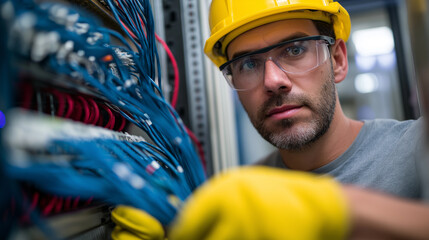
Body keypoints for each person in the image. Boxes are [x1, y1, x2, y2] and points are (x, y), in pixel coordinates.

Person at [111, 0, 429, 239]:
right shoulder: (242, 203)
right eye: (248, 64)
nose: (273, 80)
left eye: (294, 49)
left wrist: (338, 209)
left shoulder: (417, 148)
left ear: (337, 60)